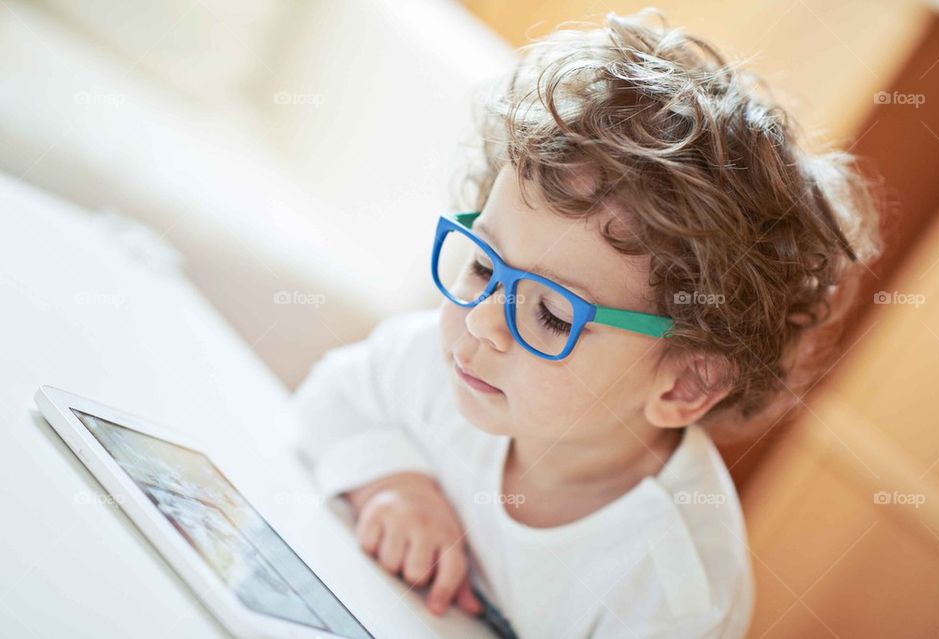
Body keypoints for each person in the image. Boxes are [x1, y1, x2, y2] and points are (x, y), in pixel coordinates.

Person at [293, 10, 881, 638]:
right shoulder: (451, 370)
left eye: (550, 313)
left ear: (685, 384)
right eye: (484, 269)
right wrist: (393, 483)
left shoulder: (672, 594)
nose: (485, 321)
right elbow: (332, 397)